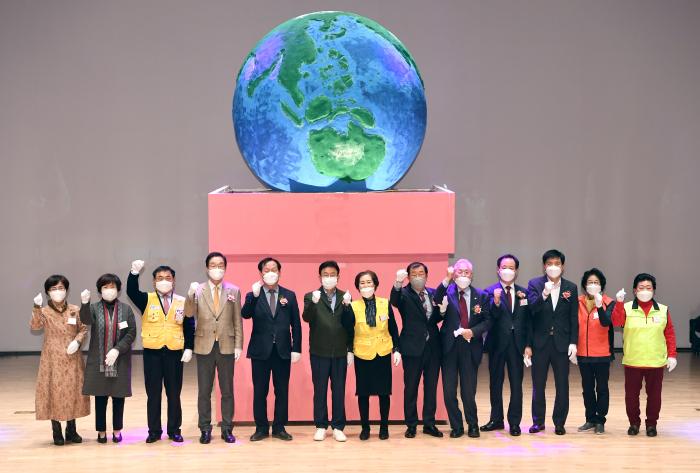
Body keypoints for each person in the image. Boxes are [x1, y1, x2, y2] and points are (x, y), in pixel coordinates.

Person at [127, 260, 195, 443]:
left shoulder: (182, 301)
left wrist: (189, 347)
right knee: (153, 394)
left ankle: (174, 430)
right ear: (154, 282)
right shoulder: (146, 299)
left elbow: (189, 325)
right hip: (153, 353)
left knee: (174, 394)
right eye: (160, 278)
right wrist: (133, 273)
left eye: (168, 278)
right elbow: (131, 292)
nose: (164, 281)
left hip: (174, 352)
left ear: (174, 280)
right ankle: (154, 431)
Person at [184, 252, 243, 444]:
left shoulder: (234, 290)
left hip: (226, 345)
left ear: (225, 268)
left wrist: (238, 345)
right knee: (204, 391)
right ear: (207, 268)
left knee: (227, 391)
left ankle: (227, 428)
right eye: (213, 265)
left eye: (220, 265)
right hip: (204, 346)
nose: (217, 268)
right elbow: (188, 313)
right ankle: (205, 428)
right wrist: (190, 295)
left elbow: (237, 320)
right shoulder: (198, 290)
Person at [242, 257, 301, 442]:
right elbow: (245, 314)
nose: (270, 273)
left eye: (274, 269)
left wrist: (296, 348)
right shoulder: (253, 294)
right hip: (260, 351)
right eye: (266, 270)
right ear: (261, 273)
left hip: (283, 351)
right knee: (260, 391)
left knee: (281, 391)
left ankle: (279, 427)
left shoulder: (289, 295)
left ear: (279, 272)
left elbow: (296, 324)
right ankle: (261, 428)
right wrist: (253, 297)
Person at [611, 273, 677, 437]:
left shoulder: (663, 309)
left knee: (654, 396)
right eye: (641, 287)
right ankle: (634, 423)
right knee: (631, 397)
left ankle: (651, 424)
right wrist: (619, 303)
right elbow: (616, 322)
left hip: (656, 361)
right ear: (635, 290)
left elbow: (669, 333)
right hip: (633, 360)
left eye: (649, 287)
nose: (645, 290)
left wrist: (672, 355)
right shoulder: (626, 307)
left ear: (654, 290)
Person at [434, 258, 491, 439]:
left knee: (468, 391)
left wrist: (473, 332)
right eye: (460, 272)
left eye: (467, 272)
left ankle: (473, 425)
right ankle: (456, 425)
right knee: (449, 391)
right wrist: (446, 278)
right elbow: (436, 299)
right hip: (449, 348)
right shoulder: (447, 292)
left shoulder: (481, 295)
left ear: (472, 275)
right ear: (454, 274)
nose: (463, 275)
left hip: (470, 347)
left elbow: (488, 321)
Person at [31, 275, 90, 445]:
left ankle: (71, 429)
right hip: (52, 358)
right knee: (53, 391)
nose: (58, 291)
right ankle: (56, 430)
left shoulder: (74, 309)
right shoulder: (44, 311)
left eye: (61, 288)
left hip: (72, 357)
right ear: (48, 292)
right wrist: (36, 307)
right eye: (53, 289)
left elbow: (83, 328)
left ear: (66, 290)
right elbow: (35, 326)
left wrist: (77, 341)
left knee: (72, 391)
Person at [342, 270, 400, 440]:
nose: (366, 285)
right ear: (357, 287)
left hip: (382, 352)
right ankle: (365, 428)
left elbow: (393, 328)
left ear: (375, 284)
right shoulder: (353, 306)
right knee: (363, 393)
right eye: (362, 283)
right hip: (362, 353)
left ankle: (384, 427)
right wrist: (349, 350)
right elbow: (347, 329)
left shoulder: (385, 303)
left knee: (384, 392)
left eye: (369, 282)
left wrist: (397, 349)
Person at [526, 249, 578, 435]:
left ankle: (559, 422)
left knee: (562, 385)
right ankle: (538, 422)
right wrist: (544, 294)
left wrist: (573, 342)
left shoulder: (571, 287)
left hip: (561, 343)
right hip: (540, 343)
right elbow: (531, 311)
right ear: (544, 266)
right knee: (538, 385)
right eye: (549, 264)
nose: (553, 267)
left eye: (557, 264)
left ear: (563, 266)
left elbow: (573, 317)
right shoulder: (535, 284)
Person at [80, 274, 137, 443]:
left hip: (120, 360)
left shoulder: (126, 309)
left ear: (118, 290)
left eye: (112, 287)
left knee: (119, 397)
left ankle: (117, 430)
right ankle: (101, 431)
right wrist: (84, 304)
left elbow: (131, 333)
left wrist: (117, 349)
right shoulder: (94, 308)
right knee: (100, 397)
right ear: (100, 291)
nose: (109, 290)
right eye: (105, 287)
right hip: (99, 360)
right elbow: (85, 320)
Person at [391, 262, 445, 438]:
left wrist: (442, 312)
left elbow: (434, 319)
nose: (418, 277)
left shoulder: (433, 293)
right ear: (408, 277)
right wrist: (398, 283)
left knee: (431, 387)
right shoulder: (404, 293)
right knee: (411, 388)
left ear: (426, 275)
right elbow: (394, 301)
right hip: (411, 347)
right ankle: (411, 424)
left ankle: (429, 424)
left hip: (433, 348)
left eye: (421, 273)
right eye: (413, 274)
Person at [302, 261, 352, 442]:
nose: (329, 278)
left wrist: (347, 306)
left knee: (339, 390)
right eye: (325, 274)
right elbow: (306, 318)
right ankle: (321, 426)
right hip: (319, 351)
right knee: (320, 390)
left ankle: (338, 427)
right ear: (320, 277)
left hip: (339, 351)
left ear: (338, 277)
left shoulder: (345, 296)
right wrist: (313, 303)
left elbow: (350, 324)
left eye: (332, 275)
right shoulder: (311, 296)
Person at [482, 254, 531, 436]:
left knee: (516, 384)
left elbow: (529, 322)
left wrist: (528, 345)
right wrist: (495, 303)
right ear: (498, 270)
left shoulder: (524, 293)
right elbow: (488, 318)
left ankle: (515, 422)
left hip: (517, 345)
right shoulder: (488, 292)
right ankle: (496, 419)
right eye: (504, 267)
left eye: (511, 268)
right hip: (497, 344)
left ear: (516, 271)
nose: (507, 271)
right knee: (495, 383)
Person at [575, 268, 615, 435]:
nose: (593, 285)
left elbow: (606, 322)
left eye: (596, 282)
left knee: (602, 388)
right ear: (584, 285)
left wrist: (599, 306)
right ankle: (590, 418)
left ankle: (600, 420)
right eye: (590, 282)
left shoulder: (609, 302)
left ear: (601, 285)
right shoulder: (577, 302)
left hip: (602, 354)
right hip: (583, 353)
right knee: (587, 388)